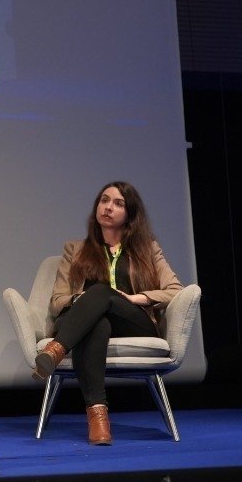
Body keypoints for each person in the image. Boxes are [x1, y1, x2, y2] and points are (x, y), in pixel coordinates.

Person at [35, 181, 184, 446]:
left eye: (118, 203)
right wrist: (78, 299)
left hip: (132, 321)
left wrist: (136, 298)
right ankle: (98, 417)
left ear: (130, 214)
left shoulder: (148, 249)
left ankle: (56, 350)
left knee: (103, 293)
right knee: (98, 322)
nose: (108, 207)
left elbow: (175, 290)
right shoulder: (75, 250)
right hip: (86, 323)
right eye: (104, 200)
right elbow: (57, 302)